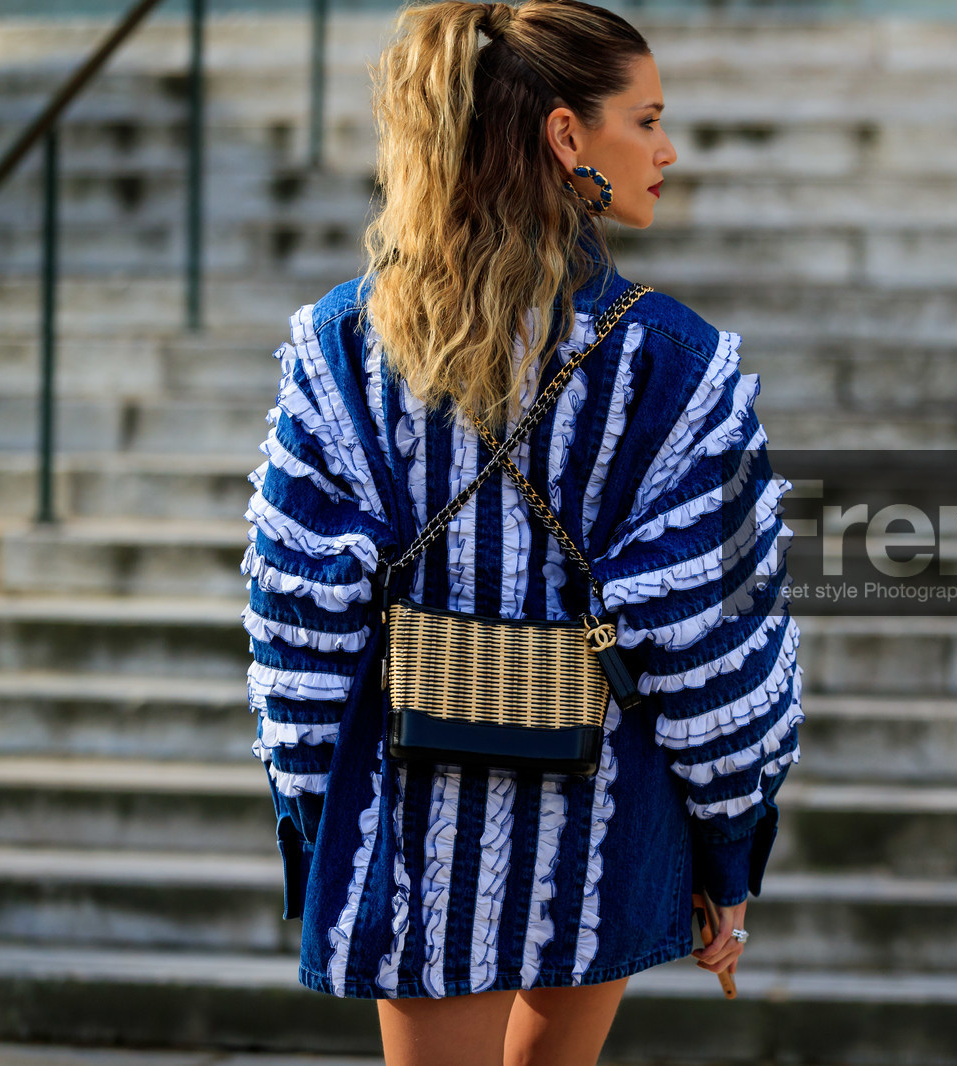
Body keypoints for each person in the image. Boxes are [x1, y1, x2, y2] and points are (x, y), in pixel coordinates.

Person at [238, 2, 803, 1062]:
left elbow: (295, 629)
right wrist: (727, 859)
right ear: (565, 137)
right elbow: (716, 652)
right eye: (646, 119)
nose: (668, 148)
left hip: (407, 818)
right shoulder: (678, 370)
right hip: (598, 817)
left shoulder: (339, 349)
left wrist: (317, 828)